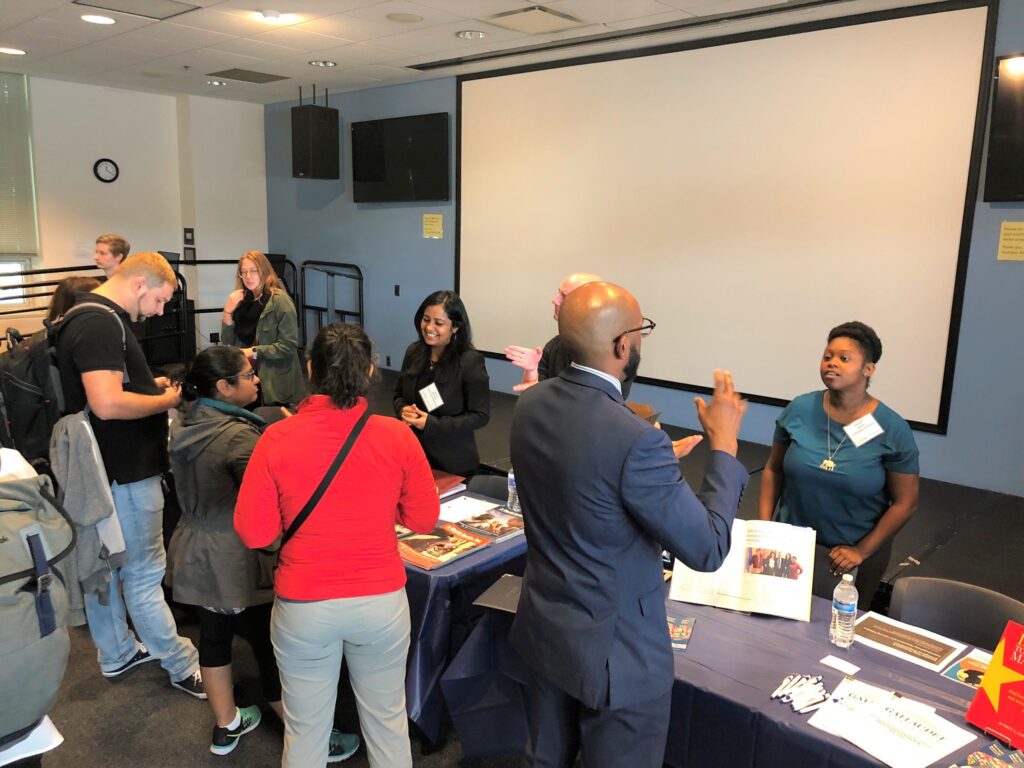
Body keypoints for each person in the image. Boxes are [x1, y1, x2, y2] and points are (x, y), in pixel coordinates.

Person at [508, 282, 749, 768]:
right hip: (618, 659)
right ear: (623, 346)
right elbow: (706, 548)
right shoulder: (637, 442)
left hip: (546, 633)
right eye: (641, 332)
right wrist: (723, 448)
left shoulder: (529, 404)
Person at [235, 323, 440, 768]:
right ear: (369, 372)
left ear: (310, 368)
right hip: (380, 600)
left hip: (304, 603)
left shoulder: (276, 439)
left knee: (305, 730)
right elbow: (424, 519)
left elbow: (255, 533)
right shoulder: (397, 436)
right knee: (387, 724)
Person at [55, 252, 204, 697]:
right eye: (160, 300)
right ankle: (181, 663)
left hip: (107, 469)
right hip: (126, 471)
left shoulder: (82, 316)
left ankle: (117, 653)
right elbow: (106, 404)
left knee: (110, 568)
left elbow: (109, 392)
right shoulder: (101, 323)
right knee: (143, 572)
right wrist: (166, 402)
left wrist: (145, 387)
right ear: (140, 283)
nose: (159, 312)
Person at [165, 346, 279, 755]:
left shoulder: (185, 421)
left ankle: (226, 724)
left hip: (194, 548)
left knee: (213, 639)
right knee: (269, 643)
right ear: (224, 386)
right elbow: (265, 501)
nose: (256, 380)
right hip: (234, 555)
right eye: (249, 375)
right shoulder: (237, 436)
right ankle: (305, 733)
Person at [758, 321, 920, 609]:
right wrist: (765, 526)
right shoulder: (799, 409)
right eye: (827, 356)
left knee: (836, 637)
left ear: (868, 369)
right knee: (775, 625)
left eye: (844, 358)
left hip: (849, 557)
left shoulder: (892, 429)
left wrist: (861, 550)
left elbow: (905, 503)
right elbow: (774, 469)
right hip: (789, 547)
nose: (832, 363)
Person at [393, 290, 490, 477]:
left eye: (439, 323)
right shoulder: (414, 352)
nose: (429, 327)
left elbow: (480, 415)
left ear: (455, 327)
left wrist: (431, 423)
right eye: (425, 319)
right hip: (414, 457)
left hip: (452, 464)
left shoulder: (470, 361)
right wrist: (402, 409)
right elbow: (398, 394)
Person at [221, 251, 305, 406]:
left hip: (273, 380)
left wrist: (252, 352)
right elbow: (227, 342)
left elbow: (288, 346)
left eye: (253, 270)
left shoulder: (280, 301)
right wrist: (228, 311)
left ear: (264, 271)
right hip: (246, 376)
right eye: (244, 272)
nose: (248, 276)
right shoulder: (242, 300)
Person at [504, 271, 610, 394]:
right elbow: (534, 396)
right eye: (558, 293)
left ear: (588, 305)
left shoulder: (609, 354)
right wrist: (531, 373)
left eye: (564, 296)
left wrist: (544, 391)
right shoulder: (555, 345)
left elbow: (596, 401)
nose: (555, 300)